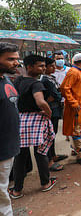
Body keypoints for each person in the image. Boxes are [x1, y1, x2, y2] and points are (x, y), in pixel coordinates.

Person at [10, 55, 57, 199]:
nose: (43, 68)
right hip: (35, 119)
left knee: (21, 155)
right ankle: (45, 183)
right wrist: (48, 112)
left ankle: (17, 189)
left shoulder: (18, 81)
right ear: (29, 67)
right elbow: (41, 102)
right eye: (40, 66)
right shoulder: (36, 84)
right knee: (41, 152)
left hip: (21, 119)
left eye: (44, 66)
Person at [60, 53, 81, 165]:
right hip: (76, 108)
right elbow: (64, 88)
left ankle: (78, 148)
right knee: (77, 129)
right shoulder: (73, 72)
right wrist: (73, 103)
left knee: (80, 128)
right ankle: (79, 154)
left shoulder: (78, 72)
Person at [0, 43, 20, 214]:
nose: (16, 63)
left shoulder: (6, 79)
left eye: (17, 59)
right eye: (10, 59)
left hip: (9, 147)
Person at [41, 58, 67, 172]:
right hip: (52, 108)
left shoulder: (51, 78)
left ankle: (53, 155)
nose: (54, 68)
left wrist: (58, 93)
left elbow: (57, 92)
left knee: (53, 133)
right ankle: (49, 159)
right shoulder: (45, 80)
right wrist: (58, 93)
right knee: (50, 134)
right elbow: (56, 94)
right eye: (51, 66)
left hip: (55, 107)